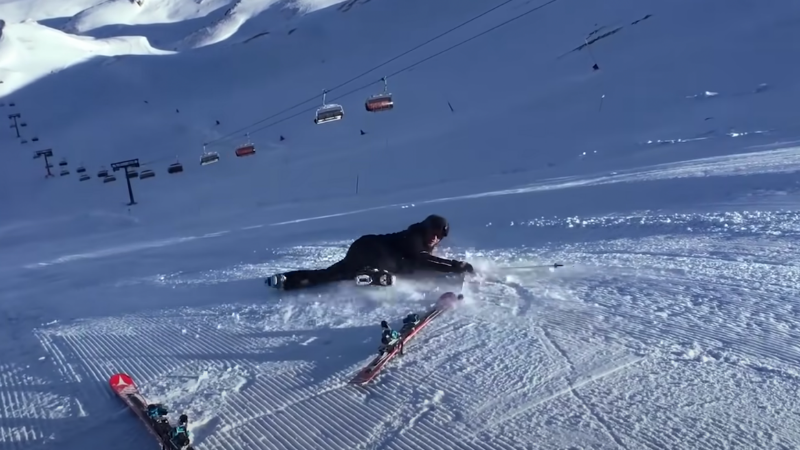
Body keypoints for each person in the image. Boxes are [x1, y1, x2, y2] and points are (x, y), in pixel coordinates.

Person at [266, 214, 473, 291]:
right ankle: (370, 272)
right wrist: (455, 266)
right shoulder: (414, 237)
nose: (435, 239)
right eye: (433, 233)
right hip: (371, 248)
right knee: (402, 264)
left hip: (368, 251)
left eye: (439, 237)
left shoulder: (420, 241)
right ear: (426, 228)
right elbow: (422, 260)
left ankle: (286, 281)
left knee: (333, 274)